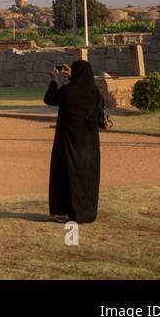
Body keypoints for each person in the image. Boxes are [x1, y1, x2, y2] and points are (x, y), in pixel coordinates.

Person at [43, 60, 101, 223]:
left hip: (68, 141)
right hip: (89, 143)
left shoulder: (68, 91)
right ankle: (85, 213)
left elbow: (49, 99)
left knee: (64, 174)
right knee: (86, 176)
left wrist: (54, 80)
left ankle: (62, 211)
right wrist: (73, 76)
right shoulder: (94, 92)